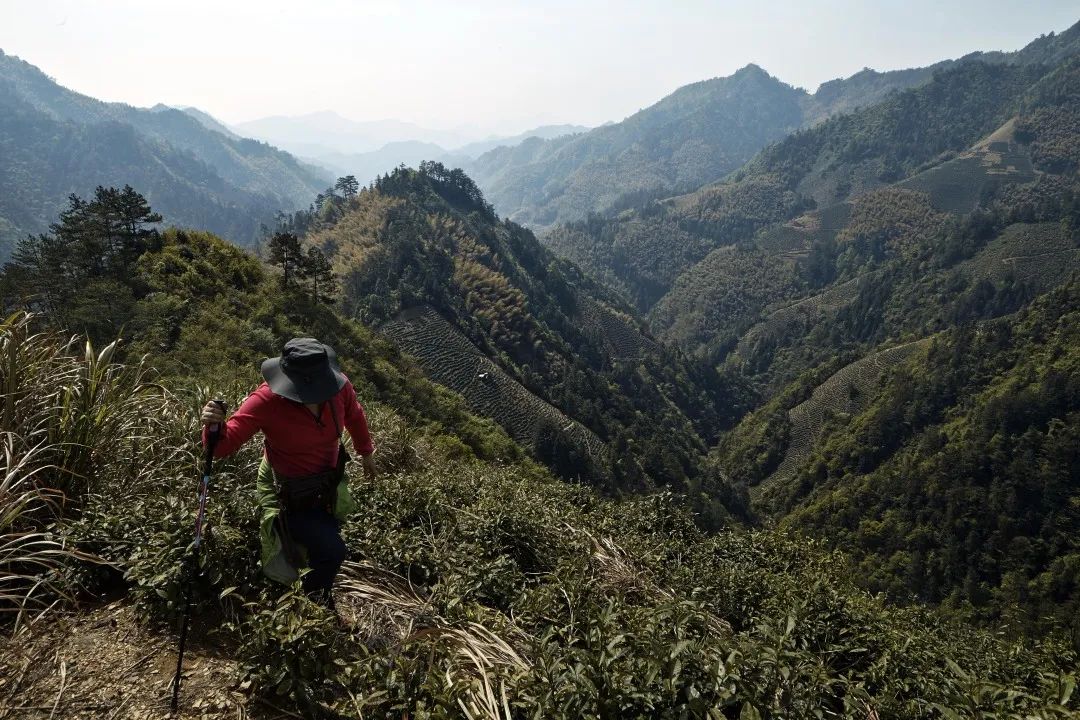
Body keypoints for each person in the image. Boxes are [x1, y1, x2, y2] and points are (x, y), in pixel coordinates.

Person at [200, 338, 376, 603]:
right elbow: (223, 446)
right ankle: (315, 600)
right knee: (332, 550)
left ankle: (309, 566)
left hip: (327, 482)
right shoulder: (267, 400)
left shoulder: (339, 388)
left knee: (326, 531)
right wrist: (213, 426)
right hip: (288, 489)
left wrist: (366, 453)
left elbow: (354, 414)